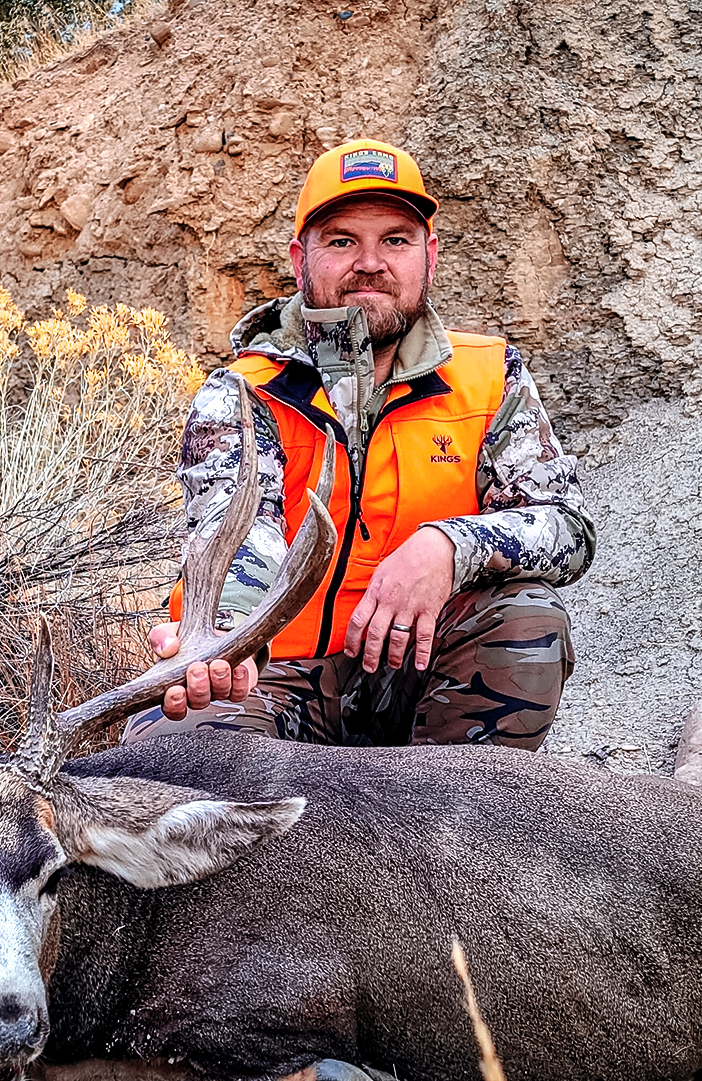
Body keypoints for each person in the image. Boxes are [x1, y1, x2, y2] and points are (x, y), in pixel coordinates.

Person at [122, 139, 595, 750]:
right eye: (342, 240)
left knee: (528, 621)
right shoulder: (242, 393)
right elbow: (235, 535)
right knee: (177, 742)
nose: (370, 262)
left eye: (395, 239)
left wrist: (449, 546)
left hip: (417, 670)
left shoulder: (488, 375)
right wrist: (227, 641)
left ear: (429, 254)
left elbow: (566, 529)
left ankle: (459, 837)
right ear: (301, 259)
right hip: (273, 677)